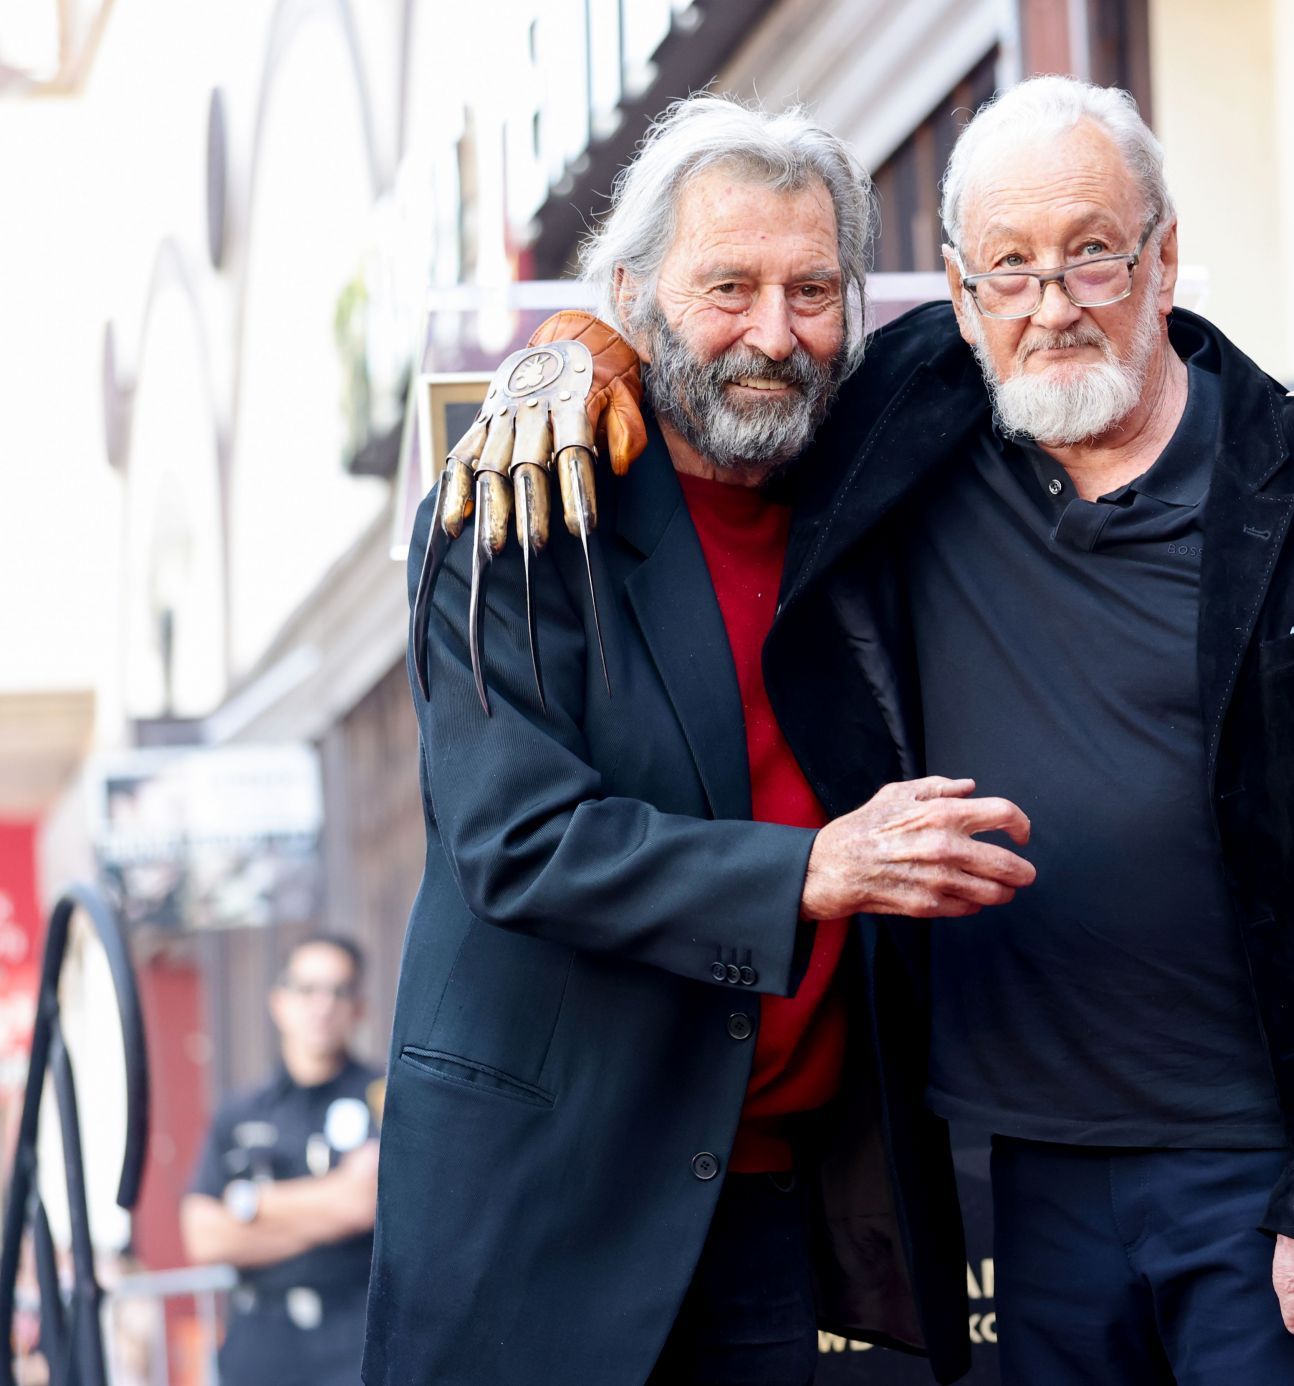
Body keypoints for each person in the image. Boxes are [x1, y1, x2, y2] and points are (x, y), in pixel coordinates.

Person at [464, 77, 1294, 1385]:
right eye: (1010, 267)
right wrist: (578, 346)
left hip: (1282, 1176)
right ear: (958, 294)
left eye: (1092, 251)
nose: (1053, 300)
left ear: (1163, 255)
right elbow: (727, 337)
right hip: (1020, 1182)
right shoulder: (907, 428)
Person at [373, 98, 1033, 1386]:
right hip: (544, 1206)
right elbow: (518, 841)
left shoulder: (879, 476)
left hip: (791, 1207)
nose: (773, 336)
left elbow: (1068, 328)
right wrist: (811, 875)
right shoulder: (516, 500)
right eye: (725, 286)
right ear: (634, 292)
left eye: (813, 290)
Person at [181, 936, 383, 1386]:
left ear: (359, 1007)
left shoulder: (384, 1098)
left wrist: (254, 1204)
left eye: (338, 991)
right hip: (260, 1346)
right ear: (279, 1003)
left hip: (352, 1342)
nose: (322, 1005)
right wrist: (331, 1206)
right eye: (307, 989)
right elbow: (205, 1237)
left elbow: (363, 1204)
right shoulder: (240, 1110)